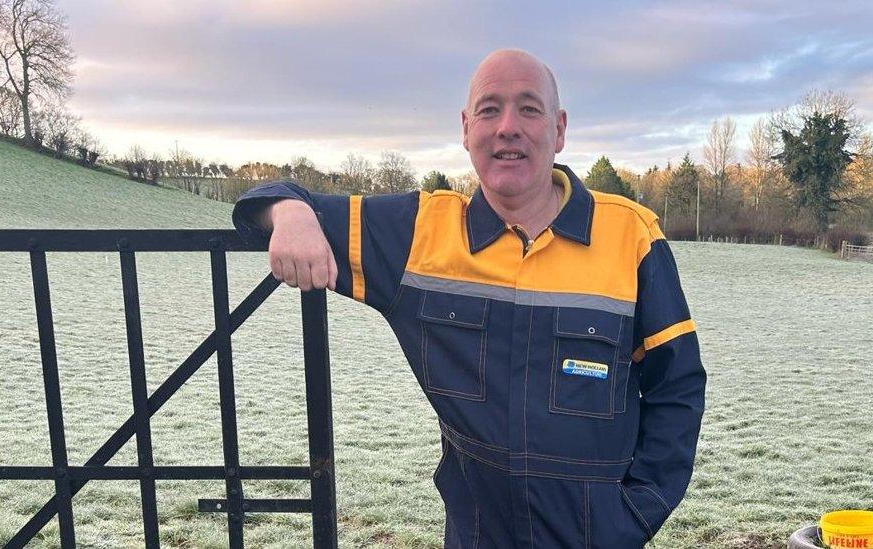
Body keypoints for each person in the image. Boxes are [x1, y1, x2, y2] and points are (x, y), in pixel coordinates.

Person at [232, 48, 705, 549]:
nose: (507, 127)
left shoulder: (630, 234)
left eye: (529, 108)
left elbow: (677, 383)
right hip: (477, 535)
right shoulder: (420, 233)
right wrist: (291, 215)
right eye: (489, 109)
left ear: (559, 128)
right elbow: (263, 199)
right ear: (465, 128)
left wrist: (635, 514)